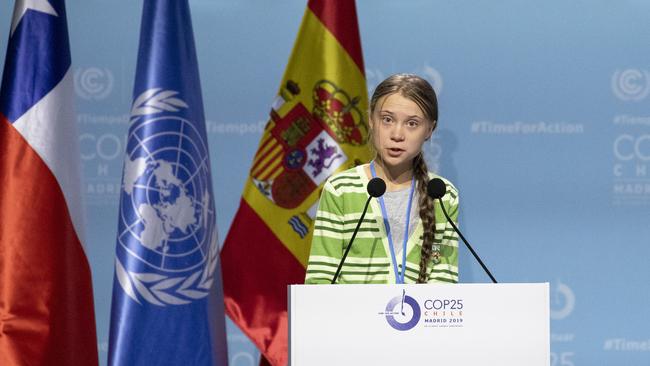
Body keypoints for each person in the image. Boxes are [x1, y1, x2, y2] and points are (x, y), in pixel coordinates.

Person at [305, 73, 459, 284]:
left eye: (412, 123)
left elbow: (443, 281)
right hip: (351, 316)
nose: (397, 134)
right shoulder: (341, 189)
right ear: (371, 120)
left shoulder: (442, 194)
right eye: (387, 119)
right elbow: (320, 280)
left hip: (417, 317)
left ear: (429, 130)